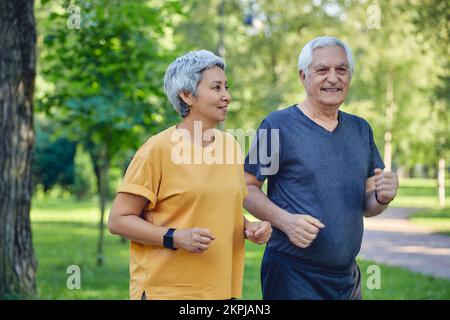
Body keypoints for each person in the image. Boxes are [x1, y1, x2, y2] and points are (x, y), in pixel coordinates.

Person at [108, 50, 272, 300]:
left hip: (221, 290)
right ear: (186, 95)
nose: (227, 96)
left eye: (226, 87)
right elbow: (119, 219)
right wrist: (175, 237)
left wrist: (249, 227)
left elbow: (217, 207)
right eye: (216, 88)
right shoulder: (157, 150)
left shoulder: (230, 146)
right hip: (167, 291)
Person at [243, 36, 399, 300]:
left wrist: (382, 197)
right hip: (292, 274)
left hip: (347, 279)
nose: (333, 78)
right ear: (303, 77)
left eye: (341, 69)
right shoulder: (277, 125)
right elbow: (246, 187)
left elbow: (368, 207)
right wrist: (286, 221)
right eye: (322, 70)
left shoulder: (361, 129)